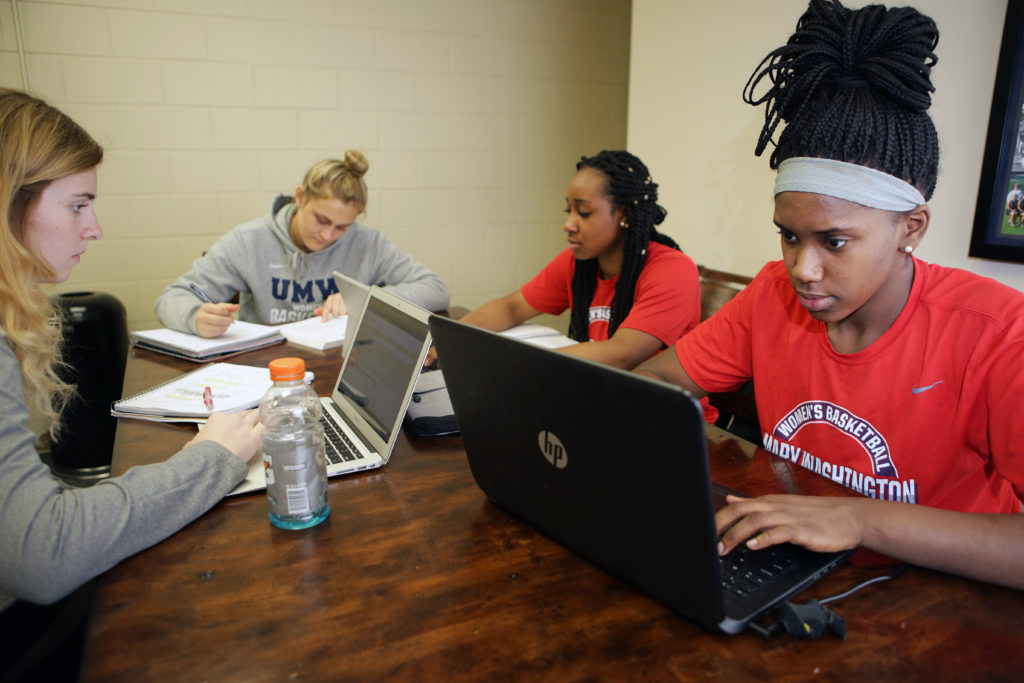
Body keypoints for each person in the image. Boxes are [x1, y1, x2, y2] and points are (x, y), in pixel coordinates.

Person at [636, 0, 1024, 590]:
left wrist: (861, 519)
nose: (802, 268)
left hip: (937, 599)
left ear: (910, 228)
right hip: (796, 571)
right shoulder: (773, 294)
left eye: (835, 241)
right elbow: (658, 382)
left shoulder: (996, 332)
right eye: (789, 235)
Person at [0, 89, 264, 676]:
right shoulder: (249, 239)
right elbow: (41, 552)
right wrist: (210, 458)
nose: (94, 229)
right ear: (8, 204)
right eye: (77, 205)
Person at [154, 154, 450, 338]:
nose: (327, 235)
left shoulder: (366, 242)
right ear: (300, 197)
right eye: (321, 220)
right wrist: (195, 318)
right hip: (266, 371)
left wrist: (364, 299)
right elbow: (171, 297)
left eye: (341, 227)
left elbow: (435, 288)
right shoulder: (249, 241)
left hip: (339, 366)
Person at [456, 150, 702, 371]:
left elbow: (623, 354)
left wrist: (520, 363)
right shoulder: (578, 263)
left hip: (662, 413)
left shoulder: (672, 270)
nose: (568, 224)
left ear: (624, 214)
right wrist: (450, 338)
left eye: (583, 212)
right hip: (600, 393)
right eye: (568, 211)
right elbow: (512, 307)